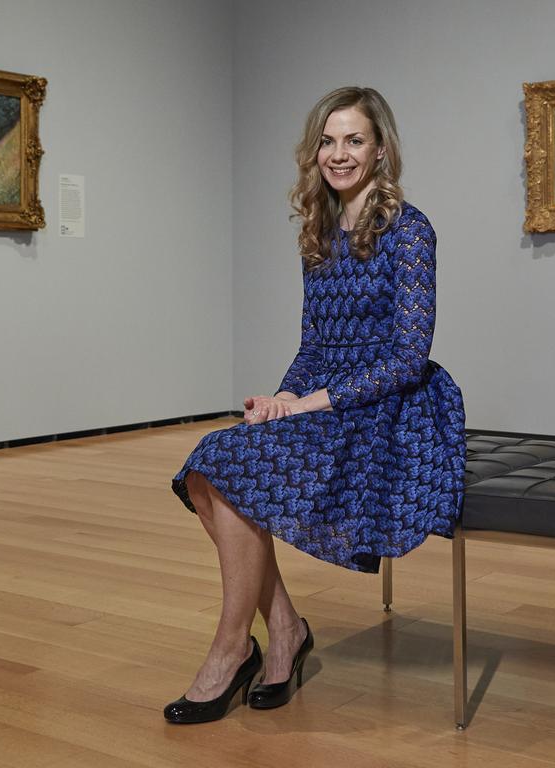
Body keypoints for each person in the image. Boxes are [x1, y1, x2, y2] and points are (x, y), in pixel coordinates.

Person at [163, 86, 466, 724]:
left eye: (353, 139)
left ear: (380, 149)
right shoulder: (320, 228)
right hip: (327, 398)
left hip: (394, 407)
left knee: (230, 471)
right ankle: (285, 628)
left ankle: (229, 650)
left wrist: (313, 405)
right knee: (206, 467)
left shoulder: (410, 231)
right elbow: (314, 343)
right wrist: (283, 398)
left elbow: (409, 357)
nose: (338, 153)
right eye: (328, 141)